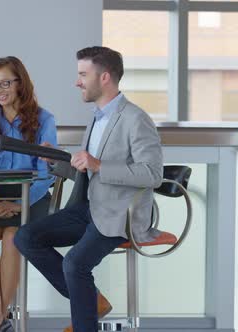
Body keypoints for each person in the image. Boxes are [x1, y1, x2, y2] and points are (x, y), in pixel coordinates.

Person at [14, 46, 163, 332]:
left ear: (104, 77)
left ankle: (86, 318)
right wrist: (56, 159)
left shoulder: (136, 119)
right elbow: (87, 171)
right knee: (26, 237)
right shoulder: (97, 116)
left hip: (120, 215)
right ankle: (91, 301)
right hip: (88, 208)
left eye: (83, 74)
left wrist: (99, 164)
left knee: (74, 265)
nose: (77, 81)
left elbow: (153, 174)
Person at [0, 56, 57, 332]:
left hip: (32, 195)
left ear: (21, 83)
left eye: (5, 83)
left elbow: (46, 174)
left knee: (12, 238)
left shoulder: (44, 120)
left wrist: (19, 204)